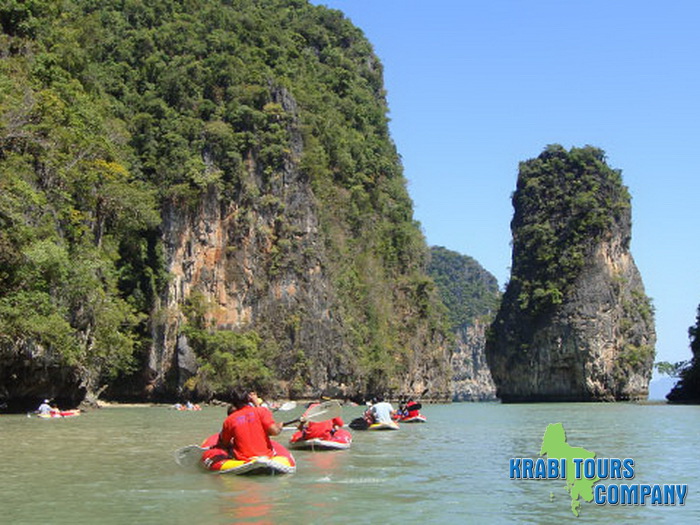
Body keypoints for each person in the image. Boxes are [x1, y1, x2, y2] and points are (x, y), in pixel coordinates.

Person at [218, 389, 283, 461]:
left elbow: (224, 443)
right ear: (248, 399)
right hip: (265, 456)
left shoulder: (229, 420)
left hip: (243, 459)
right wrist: (279, 427)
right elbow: (275, 432)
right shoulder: (261, 411)